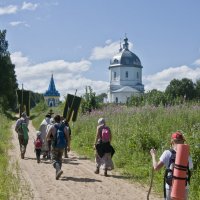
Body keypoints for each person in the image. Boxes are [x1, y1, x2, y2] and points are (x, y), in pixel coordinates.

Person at [150, 131, 193, 200]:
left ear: (172, 142)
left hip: (170, 187)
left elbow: (156, 167)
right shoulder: (187, 155)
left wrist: (153, 155)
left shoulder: (167, 153)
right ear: (183, 142)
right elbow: (190, 169)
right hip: (184, 187)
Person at [46, 115, 70, 180]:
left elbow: (47, 137)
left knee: (54, 160)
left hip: (54, 145)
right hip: (62, 146)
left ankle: (58, 170)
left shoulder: (52, 127)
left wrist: (51, 138)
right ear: (60, 119)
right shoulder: (65, 127)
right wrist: (68, 146)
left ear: (54, 120)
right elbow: (68, 138)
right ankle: (57, 173)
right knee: (59, 159)